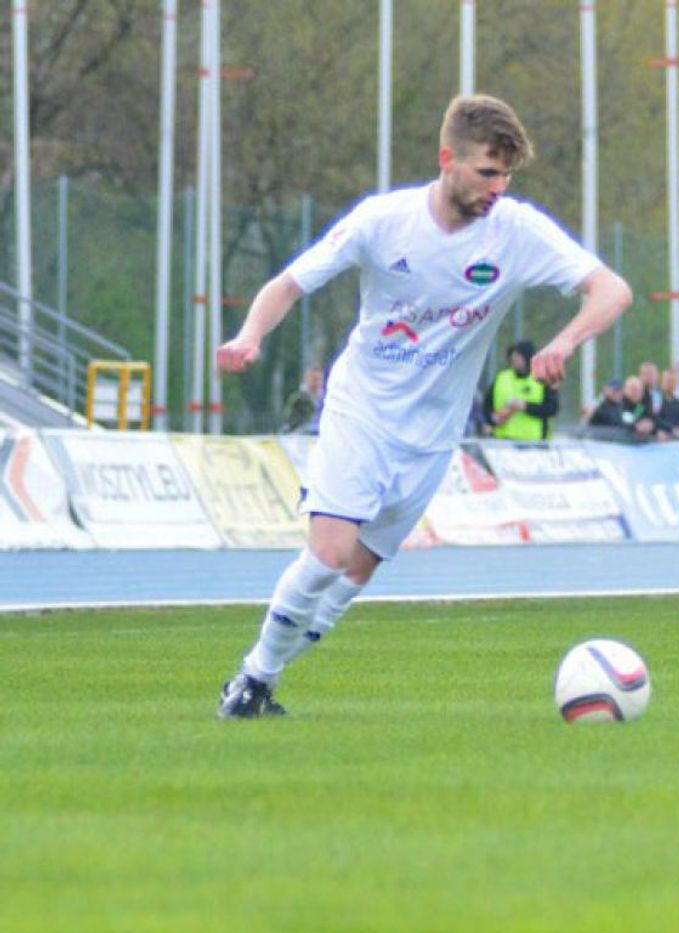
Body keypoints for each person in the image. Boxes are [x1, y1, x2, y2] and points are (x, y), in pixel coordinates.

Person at [213, 94, 632, 719]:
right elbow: (290, 283)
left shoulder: (517, 231)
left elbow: (612, 290)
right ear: (447, 159)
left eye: (506, 176)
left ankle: (261, 683)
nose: (497, 188)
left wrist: (565, 341)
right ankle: (252, 681)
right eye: (487, 172)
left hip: (433, 435)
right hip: (361, 410)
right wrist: (250, 336)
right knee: (329, 554)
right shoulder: (383, 221)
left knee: (353, 575)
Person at [485, 339, 558, 440]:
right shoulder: (501, 378)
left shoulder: (542, 378)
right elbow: (487, 406)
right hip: (502, 440)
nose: (514, 359)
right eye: (513, 355)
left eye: (518, 356)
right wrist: (491, 420)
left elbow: (552, 408)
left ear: (527, 357)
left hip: (533, 442)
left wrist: (525, 406)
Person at [281, 364, 325, 434]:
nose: (317, 382)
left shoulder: (326, 400)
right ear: (307, 379)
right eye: (314, 379)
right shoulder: (298, 399)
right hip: (301, 435)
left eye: (320, 379)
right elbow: (289, 421)